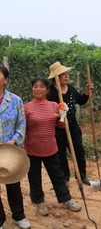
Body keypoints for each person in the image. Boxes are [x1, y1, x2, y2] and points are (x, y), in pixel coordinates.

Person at [24, 77, 81, 217]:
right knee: (34, 177)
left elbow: (60, 125)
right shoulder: (26, 107)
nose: (38, 89)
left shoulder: (54, 105)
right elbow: (22, 128)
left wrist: (63, 115)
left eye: (41, 86)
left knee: (58, 175)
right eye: (35, 86)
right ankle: (39, 202)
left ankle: (66, 199)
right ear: (32, 89)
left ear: (47, 90)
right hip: (32, 148)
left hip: (50, 147)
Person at [47, 61, 93, 186]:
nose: (67, 76)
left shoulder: (71, 89)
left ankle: (82, 175)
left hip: (72, 126)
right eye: (64, 74)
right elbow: (47, 111)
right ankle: (65, 177)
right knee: (61, 153)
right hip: (58, 128)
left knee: (79, 150)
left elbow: (81, 101)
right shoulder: (50, 92)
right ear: (56, 77)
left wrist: (86, 94)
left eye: (67, 74)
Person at [0, 65, 31, 229]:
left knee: (13, 184)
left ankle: (19, 216)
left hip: (10, 150)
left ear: (6, 80)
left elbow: (21, 125)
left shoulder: (15, 100)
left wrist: (13, 141)